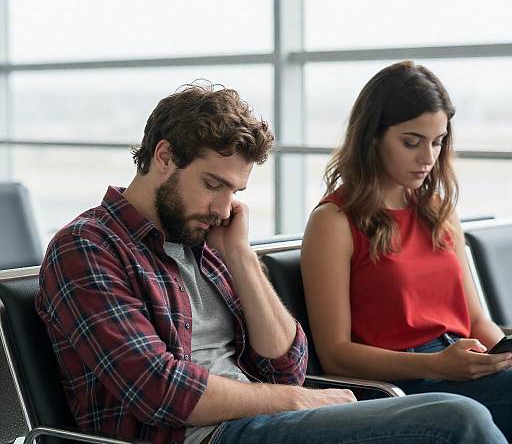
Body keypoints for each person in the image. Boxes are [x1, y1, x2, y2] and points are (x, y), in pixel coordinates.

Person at [36, 82, 507, 444]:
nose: (224, 207)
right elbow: (161, 392)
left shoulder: (209, 241)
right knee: (457, 421)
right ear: (164, 157)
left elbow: (288, 366)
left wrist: (241, 257)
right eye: (213, 184)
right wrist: (297, 400)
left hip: (266, 422)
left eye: (235, 191)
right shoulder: (88, 248)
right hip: (202, 436)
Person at [301, 60, 512, 441]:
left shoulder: (439, 214)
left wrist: (503, 354)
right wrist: (439, 365)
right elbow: (334, 353)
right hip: (401, 384)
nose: (427, 158)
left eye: (437, 141)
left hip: (460, 364)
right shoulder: (334, 221)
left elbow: (479, 323)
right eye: (411, 142)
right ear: (372, 138)